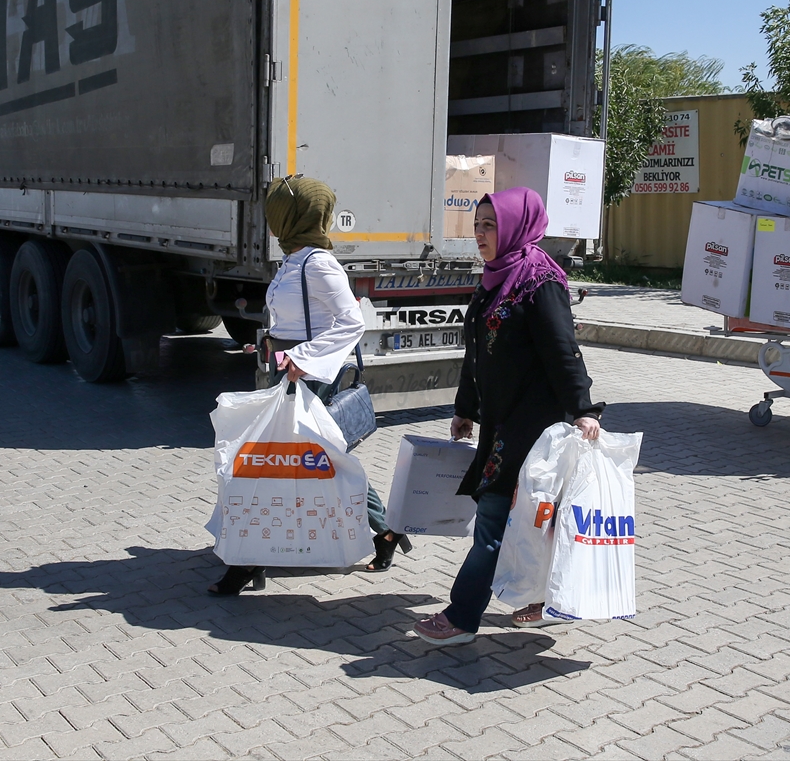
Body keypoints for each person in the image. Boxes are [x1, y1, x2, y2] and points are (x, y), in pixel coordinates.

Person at [413, 187, 603, 645]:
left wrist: (583, 411)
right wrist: (465, 409)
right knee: (531, 519)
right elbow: (475, 351)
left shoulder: (541, 282)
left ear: (516, 226)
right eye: (477, 225)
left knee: (495, 519)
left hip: (531, 426)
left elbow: (563, 353)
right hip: (500, 421)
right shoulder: (497, 277)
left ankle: (461, 617)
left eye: (489, 225)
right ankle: (542, 598)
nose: (479, 234)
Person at [208, 175, 410, 595]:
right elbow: (299, 318)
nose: (269, 219)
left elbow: (352, 322)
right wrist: (272, 341)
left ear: (292, 216)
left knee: (271, 462)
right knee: (326, 461)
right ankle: (386, 532)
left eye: (275, 211)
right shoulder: (295, 259)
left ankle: (250, 560)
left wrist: (303, 358)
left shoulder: (318, 263)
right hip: (289, 372)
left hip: (310, 379)